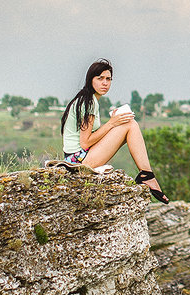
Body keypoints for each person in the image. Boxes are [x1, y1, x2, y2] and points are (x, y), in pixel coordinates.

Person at [60, 58, 168, 203]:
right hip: (79, 160)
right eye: (100, 78)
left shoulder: (86, 99)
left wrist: (114, 123)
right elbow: (85, 143)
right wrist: (111, 124)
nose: (105, 83)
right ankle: (147, 176)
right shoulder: (89, 101)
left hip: (78, 157)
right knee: (130, 124)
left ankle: (147, 175)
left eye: (108, 79)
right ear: (90, 79)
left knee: (128, 123)